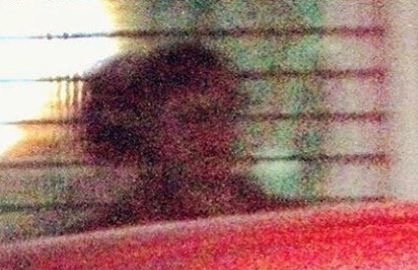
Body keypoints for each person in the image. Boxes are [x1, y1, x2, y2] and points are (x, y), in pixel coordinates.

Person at [76, 42, 292, 230]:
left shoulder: (281, 225)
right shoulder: (115, 239)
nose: (212, 131)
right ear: (149, 130)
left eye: (225, 112)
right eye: (191, 117)